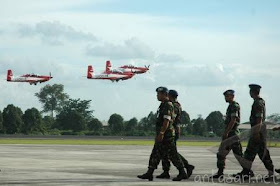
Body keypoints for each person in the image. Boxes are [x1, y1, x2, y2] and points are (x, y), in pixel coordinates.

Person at [137, 87, 188, 181]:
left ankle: (182, 172)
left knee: (172, 154)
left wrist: (161, 133)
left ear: (165, 94)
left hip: (167, 135)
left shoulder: (168, 105)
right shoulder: (163, 104)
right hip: (163, 134)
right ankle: (150, 172)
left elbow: (166, 120)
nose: (157, 95)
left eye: (159, 94)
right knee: (155, 153)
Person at [234, 84, 275, 180]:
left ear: (252, 92)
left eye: (250, 91)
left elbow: (259, 118)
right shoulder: (259, 102)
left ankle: (250, 172)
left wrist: (256, 133)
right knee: (256, 153)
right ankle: (247, 172)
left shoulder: (258, 103)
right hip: (258, 131)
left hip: (258, 132)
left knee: (256, 153)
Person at [156, 90, 195, 179]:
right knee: (165, 152)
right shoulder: (173, 105)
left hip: (171, 131)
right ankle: (166, 171)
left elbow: (171, 119)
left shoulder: (174, 106)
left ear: (170, 96)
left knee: (172, 152)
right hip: (170, 130)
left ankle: (186, 166)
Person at [210, 90, 244, 179]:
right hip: (230, 134)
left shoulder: (234, 106)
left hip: (232, 134)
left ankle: (247, 171)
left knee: (238, 155)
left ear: (232, 96)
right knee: (221, 153)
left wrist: (226, 132)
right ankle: (220, 172)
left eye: (227, 96)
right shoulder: (230, 106)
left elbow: (233, 120)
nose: (226, 98)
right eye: (225, 96)